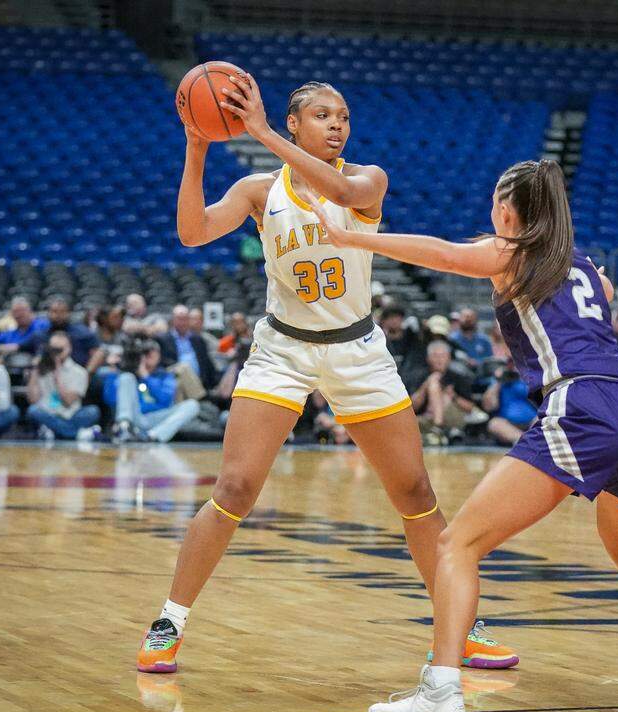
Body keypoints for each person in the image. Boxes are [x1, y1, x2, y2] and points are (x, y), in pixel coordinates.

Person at [307, 158, 618, 712]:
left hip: (583, 407)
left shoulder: (511, 253)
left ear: (506, 208)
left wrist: (350, 235)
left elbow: (446, 254)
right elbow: (599, 296)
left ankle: (440, 692)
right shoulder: (587, 268)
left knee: (457, 545)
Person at [135, 75, 516, 674]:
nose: (337, 124)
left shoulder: (367, 181)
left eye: (342, 115)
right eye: (321, 115)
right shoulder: (259, 191)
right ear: (294, 124)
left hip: (357, 350)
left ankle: (462, 626)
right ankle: (169, 622)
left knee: (415, 493)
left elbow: (337, 187)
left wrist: (255, 130)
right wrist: (198, 144)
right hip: (281, 350)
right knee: (233, 490)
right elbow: (191, 232)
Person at [103, 339, 200, 443]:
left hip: (157, 418)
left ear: (159, 355)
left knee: (192, 405)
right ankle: (124, 428)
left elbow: (166, 400)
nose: (150, 355)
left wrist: (146, 376)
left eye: (154, 351)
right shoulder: (128, 376)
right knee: (126, 377)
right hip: (135, 417)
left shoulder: (165, 375)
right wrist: (113, 371)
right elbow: (110, 400)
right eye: (146, 352)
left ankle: (152, 436)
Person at [24, 331, 101, 441]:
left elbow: (68, 401)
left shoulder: (80, 372)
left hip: (71, 414)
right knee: (33, 411)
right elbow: (33, 400)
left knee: (92, 411)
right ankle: (76, 434)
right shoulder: (41, 369)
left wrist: (58, 376)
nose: (56, 353)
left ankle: (56, 432)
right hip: (48, 413)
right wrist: (35, 371)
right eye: (53, 349)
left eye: (60, 349)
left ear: (69, 349)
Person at [411, 340, 485, 445]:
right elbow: (412, 407)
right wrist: (425, 386)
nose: (439, 360)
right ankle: (437, 432)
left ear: (449, 358)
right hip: (425, 418)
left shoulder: (459, 377)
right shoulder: (418, 376)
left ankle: (437, 428)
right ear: (428, 359)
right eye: (435, 356)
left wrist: (453, 396)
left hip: (453, 418)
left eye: (442, 356)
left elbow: (470, 407)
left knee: (443, 395)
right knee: (433, 381)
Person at [158, 304, 219, 391]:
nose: (182, 323)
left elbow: (206, 363)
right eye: (179, 319)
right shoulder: (163, 339)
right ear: (173, 320)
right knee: (183, 368)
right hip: (175, 382)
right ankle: (200, 397)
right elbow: (163, 362)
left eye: (185, 319)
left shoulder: (198, 339)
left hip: (200, 381)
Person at [481, 360, 535, 445]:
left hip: (532, 422)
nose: (512, 366)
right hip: (508, 424)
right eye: (509, 364)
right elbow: (488, 406)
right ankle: (526, 442)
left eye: (514, 364)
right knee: (494, 424)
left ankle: (527, 442)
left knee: (542, 420)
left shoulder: (526, 378)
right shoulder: (497, 382)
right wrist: (498, 381)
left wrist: (522, 376)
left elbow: (538, 398)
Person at [41, 296, 98, 368]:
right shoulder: (41, 334)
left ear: (68, 313)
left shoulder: (82, 332)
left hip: (78, 374)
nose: (58, 315)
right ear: (48, 313)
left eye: (62, 312)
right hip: (47, 374)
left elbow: (98, 352)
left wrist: (87, 373)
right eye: (54, 311)